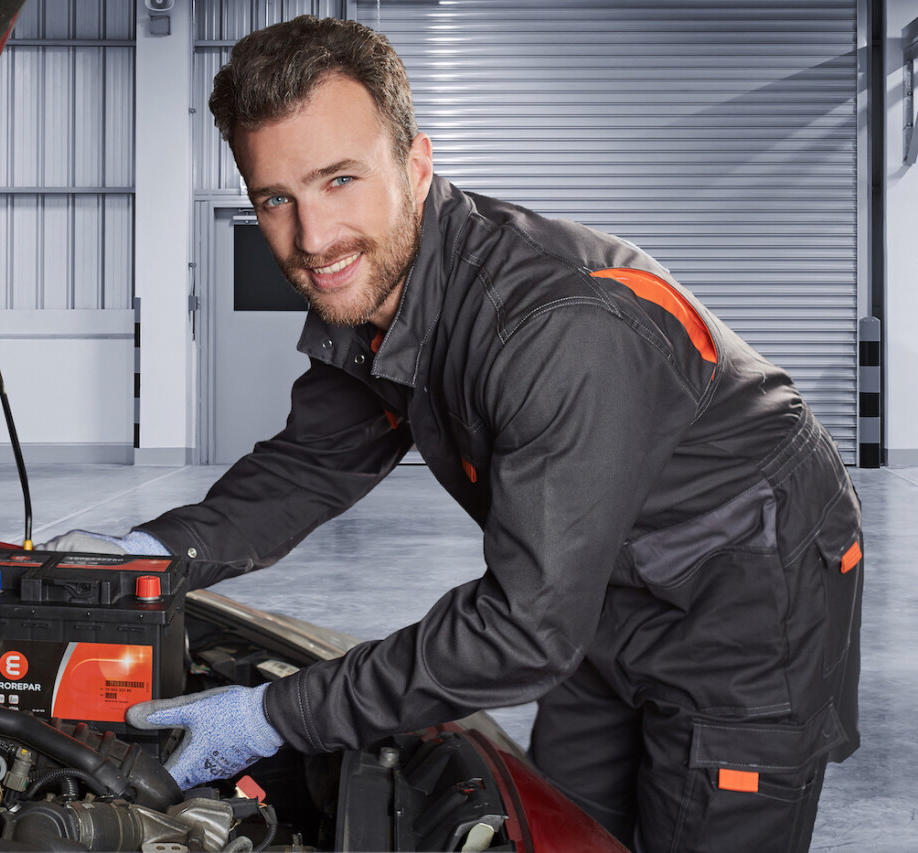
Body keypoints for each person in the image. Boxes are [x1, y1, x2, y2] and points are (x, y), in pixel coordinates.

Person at [42, 15, 863, 852]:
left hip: (746, 590)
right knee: (569, 825)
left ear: (416, 164)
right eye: (276, 199)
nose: (313, 239)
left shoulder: (554, 328)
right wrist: (149, 553)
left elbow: (526, 629)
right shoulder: (382, 293)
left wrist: (274, 714)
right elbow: (311, 464)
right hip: (598, 584)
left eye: (340, 180)